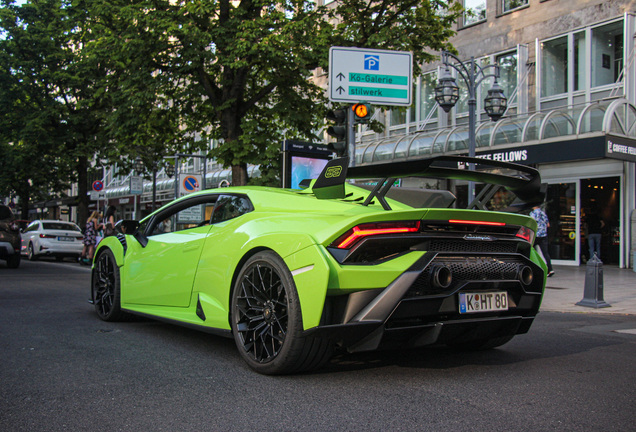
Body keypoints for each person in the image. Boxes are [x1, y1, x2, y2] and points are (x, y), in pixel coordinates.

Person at [530, 204, 555, 277]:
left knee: (530, 250)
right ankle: (550, 269)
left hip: (535, 236)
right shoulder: (543, 214)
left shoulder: (533, 213)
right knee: (545, 253)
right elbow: (548, 225)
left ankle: (534, 267)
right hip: (544, 236)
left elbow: (531, 224)